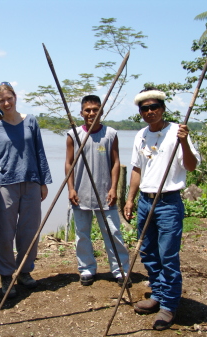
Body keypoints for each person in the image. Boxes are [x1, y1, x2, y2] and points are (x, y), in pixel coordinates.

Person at [124, 87, 200, 330]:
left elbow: (191, 166)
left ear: (163, 109)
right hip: (146, 201)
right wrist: (130, 199)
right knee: (147, 251)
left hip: (167, 202)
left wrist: (184, 142)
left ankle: (168, 305)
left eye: (154, 107)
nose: (149, 112)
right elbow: (136, 169)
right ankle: (157, 292)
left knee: (168, 255)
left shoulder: (177, 132)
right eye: (144, 108)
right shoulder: (141, 135)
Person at [0, 82, 52, 298]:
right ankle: (5, 275)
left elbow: (39, 151)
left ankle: (24, 272)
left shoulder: (30, 121)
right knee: (4, 234)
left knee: (29, 233)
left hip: (31, 183)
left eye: (9, 98)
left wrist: (43, 181)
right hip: (6, 186)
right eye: (1, 100)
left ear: (15, 97)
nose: (6, 103)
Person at [65, 95, 130, 287]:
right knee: (82, 233)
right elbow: (68, 163)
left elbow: (115, 162)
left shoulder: (110, 134)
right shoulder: (73, 134)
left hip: (105, 194)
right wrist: (71, 188)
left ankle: (120, 270)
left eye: (95, 109)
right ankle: (86, 269)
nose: (91, 113)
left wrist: (113, 187)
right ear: (81, 112)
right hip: (81, 193)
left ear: (101, 111)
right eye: (88, 110)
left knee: (113, 232)